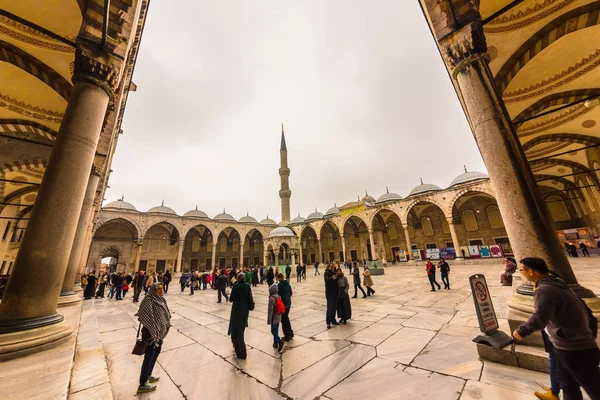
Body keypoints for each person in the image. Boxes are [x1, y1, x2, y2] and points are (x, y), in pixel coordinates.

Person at [513, 257, 600, 400]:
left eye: (521, 270)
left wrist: (521, 331)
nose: (521, 273)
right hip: (564, 346)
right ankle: (555, 393)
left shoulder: (545, 289)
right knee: (567, 385)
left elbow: (539, 318)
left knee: (594, 388)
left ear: (531, 271)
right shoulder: (558, 283)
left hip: (574, 347)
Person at [135, 283, 171, 394]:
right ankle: (143, 383)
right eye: (159, 289)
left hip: (159, 334)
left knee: (155, 354)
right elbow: (144, 316)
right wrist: (153, 330)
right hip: (150, 334)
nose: (161, 290)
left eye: (162, 288)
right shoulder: (148, 301)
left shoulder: (161, 300)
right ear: (154, 290)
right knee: (149, 356)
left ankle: (148, 375)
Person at [228, 273, 253, 359]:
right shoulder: (247, 286)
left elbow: (231, 299)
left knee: (236, 331)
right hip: (245, 310)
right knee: (241, 328)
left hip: (237, 310)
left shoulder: (236, 286)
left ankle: (241, 352)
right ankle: (240, 349)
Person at [267, 284, 285, 353]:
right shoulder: (278, 296)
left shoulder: (271, 298)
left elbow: (270, 311)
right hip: (278, 317)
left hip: (274, 318)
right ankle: (275, 343)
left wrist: (269, 321)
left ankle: (279, 341)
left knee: (273, 331)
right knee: (276, 330)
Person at [277, 273, 294, 341]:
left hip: (283, 304)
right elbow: (291, 293)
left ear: (280, 278)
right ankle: (290, 332)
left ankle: (287, 335)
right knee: (286, 318)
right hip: (288, 303)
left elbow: (278, 294)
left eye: (278, 278)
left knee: (284, 320)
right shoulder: (287, 283)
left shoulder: (280, 285)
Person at [324, 263, 340, 329]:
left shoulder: (335, 273)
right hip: (329, 292)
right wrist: (331, 278)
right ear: (328, 267)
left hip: (335, 292)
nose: (332, 268)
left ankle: (333, 320)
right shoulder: (326, 273)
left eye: (333, 267)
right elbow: (326, 280)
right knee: (330, 307)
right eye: (331, 267)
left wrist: (340, 275)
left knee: (334, 307)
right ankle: (328, 322)